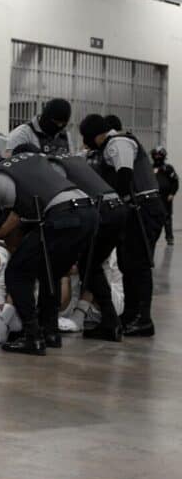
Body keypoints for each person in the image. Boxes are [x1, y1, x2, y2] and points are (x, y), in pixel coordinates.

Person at [0, 145, 99, 355]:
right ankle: (50, 332)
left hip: (63, 215)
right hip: (88, 211)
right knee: (52, 272)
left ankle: (32, 335)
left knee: (17, 273)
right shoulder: (37, 163)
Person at [79, 115, 165, 337]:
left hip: (142, 208)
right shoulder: (109, 146)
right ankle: (130, 313)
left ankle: (144, 319)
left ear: (97, 135)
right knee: (128, 263)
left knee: (140, 263)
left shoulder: (118, 143)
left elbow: (124, 175)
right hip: (133, 209)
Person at [47, 151, 129, 341]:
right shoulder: (75, 159)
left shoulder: (52, 165)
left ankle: (106, 321)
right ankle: (111, 322)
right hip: (116, 207)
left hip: (101, 211)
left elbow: (57, 195)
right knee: (91, 266)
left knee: (89, 265)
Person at [5, 98, 72, 156]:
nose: (59, 126)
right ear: (45, 116)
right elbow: (8, 162)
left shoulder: (65, 136)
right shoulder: (22, 134)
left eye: (63, 123)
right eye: (56, 122)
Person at [151, 147, 177, 246]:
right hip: (154, 197)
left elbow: (175, 182)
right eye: (155, 155)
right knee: (153, 217)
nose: (157, 157)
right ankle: (152, 237)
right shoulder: (150, 168)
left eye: (159, 155)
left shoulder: (168, 168)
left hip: (166, 197)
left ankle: (169, 238)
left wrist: (172, 194)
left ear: (163, 156)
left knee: (167, 218)